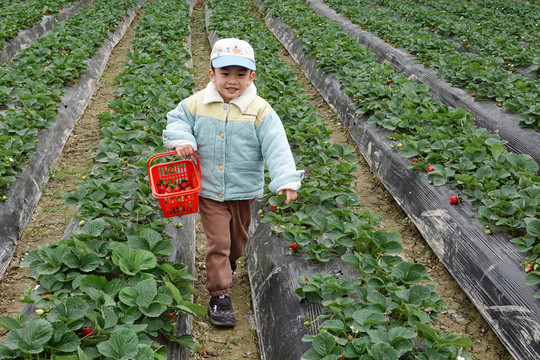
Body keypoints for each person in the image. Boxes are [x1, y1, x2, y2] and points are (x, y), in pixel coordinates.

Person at [162, 38, 304, 327]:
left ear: (252, 77)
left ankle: (230, 262)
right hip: (210, 189)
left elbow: (276, 145)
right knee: (219, 241)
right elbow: (176, 121)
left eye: (240, 74)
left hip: (243, 191)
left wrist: (286, 179)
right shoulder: (196, 103)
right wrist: (183, 140)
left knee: (238, 242)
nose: (232, 81)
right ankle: (219, 294)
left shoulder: (260, 111)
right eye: (225, 73)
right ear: (211, 74)